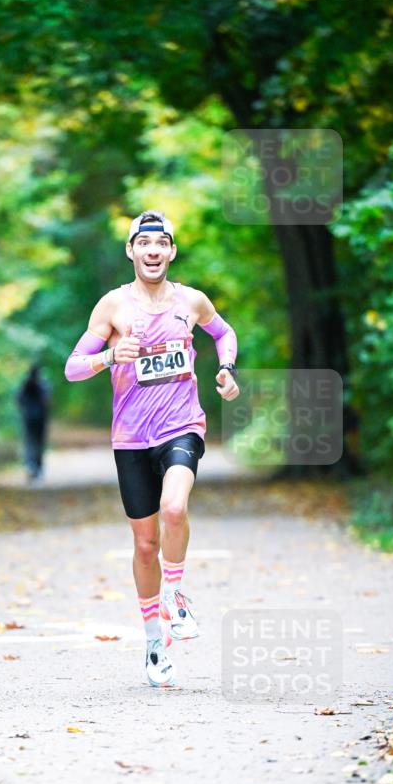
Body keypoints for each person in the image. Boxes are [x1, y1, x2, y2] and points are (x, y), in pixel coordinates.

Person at [64, 210, 239, 687]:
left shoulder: (192, 300)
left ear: (172, 251)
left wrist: (227, 370)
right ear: (131, 251)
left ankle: (177, 595)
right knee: (144, 545)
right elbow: (72, 368)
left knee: (175, 509)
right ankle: (154, 642)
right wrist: (107, 356)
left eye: (161, 243)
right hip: (131, 438)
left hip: (182, 425)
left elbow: (224, 334)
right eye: (145, 244)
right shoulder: (113, 307)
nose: (153, 251)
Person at [17, 363, 51, 483]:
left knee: (30, 442)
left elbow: (19, 400)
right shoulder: (44, 385)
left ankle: (31, 465)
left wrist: (25, 410)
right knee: (39, 443)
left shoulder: (25, 384)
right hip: (40, 419)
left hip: (28, 418)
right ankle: (37, 467)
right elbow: (47, 402)